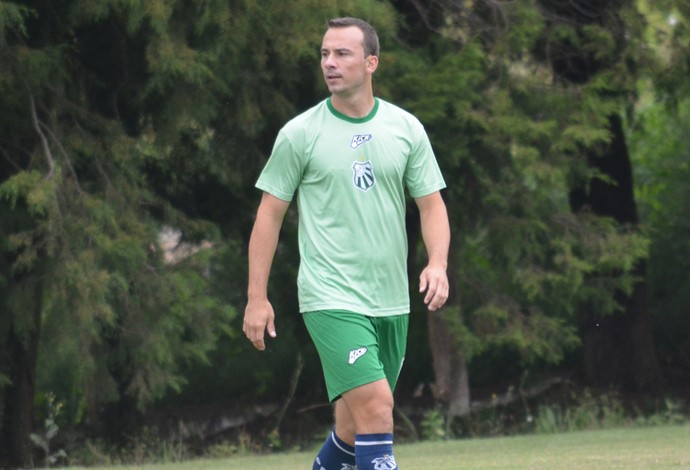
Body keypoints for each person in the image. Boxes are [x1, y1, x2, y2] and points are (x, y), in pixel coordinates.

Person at [243, 16, 450, 470]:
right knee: (377, 406)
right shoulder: (300, 134)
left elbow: (431, 206)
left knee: (353, 429)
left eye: (342, 54)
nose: (330, 63)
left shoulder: (406, 128)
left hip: (391, 299)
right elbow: (268, 216)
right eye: (324, 54)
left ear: (371, 62)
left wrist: (437, 263)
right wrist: (256, 297)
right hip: (330, 295)